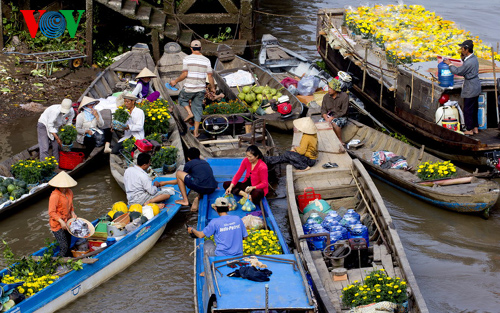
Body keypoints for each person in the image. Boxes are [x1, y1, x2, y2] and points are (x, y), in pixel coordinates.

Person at [170, 40, 216, 138]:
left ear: (191, 48)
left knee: (182, 99)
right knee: (198, 109)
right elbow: (210, 76)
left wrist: (175, 81)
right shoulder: (206, 60)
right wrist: (213, 88)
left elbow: (184, 74)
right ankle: (196, 132)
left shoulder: (187, 59)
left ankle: (189, 113)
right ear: (201, 48)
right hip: (201, 89)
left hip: (189, 88)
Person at [443, 40, 481, 135]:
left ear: (467, 49)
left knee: (467, 109)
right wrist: (462, 58)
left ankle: (469, 129)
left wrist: (450, 64)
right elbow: (466, 64)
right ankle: (475, 127)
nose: (461, 50)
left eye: (463, 48)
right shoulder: (474, 58)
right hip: (476, 85)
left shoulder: (469, 62)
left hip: (470, 87)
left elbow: (458, 71)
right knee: (474, 108)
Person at [48, 171, 78, 257]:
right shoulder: (55, 196)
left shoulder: (69, 192)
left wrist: (73, 213)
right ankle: (57, 263)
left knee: (68, 243)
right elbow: (51, 212)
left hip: (67, 221)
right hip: (57, 224)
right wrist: (61, 221)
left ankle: (68, 258)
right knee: (64, 246)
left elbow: (70, 206)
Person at [321, 78, 349, 151]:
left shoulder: (344, 96)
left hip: (341, 116)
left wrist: (332, 118)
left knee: (335, 123)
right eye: (328, 87)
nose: (328, 90)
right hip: (329, 116)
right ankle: (325, 140)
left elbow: (344, 111)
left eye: (331, 88)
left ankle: (339, 139)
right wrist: (326, 118)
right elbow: (323, 110)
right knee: (320, 122)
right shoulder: (326, 97)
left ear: (336, 89)